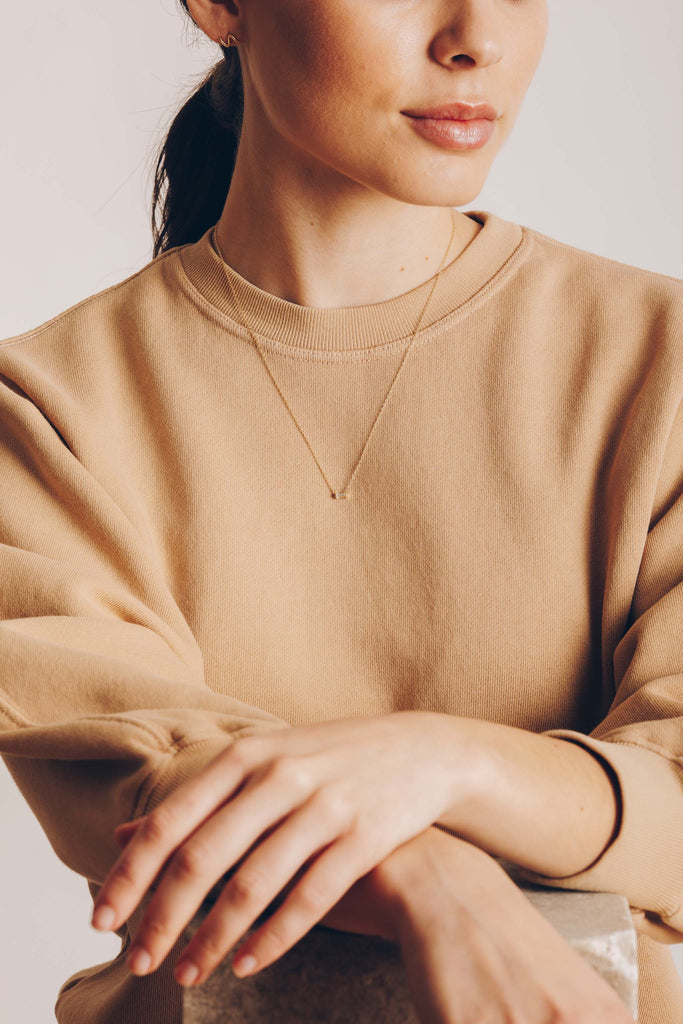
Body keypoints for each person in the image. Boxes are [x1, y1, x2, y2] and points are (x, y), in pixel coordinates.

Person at [0, 0, 681, 1021]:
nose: (475, 37)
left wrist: (440, 761)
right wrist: (427, 872)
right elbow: (165, 800)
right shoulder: (46, 408)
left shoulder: (657, 362)